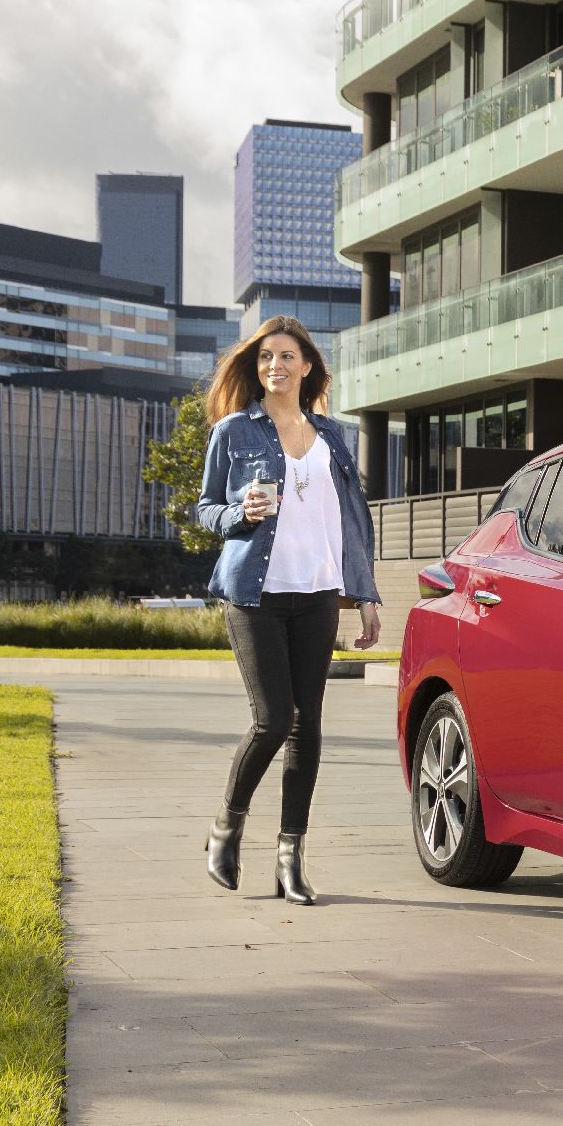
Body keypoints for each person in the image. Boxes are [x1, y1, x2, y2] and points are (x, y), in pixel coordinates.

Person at [195, 316, 381, 904]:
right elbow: (205, 509)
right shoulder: (233, 432)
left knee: (309, 727)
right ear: (258, 369)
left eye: (287, 356)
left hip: (319, 593)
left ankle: (291, 858)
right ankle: (227, 826)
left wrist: (366, 595)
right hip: (255, 593)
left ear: (306, 367)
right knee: (273, 720)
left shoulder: (331, 437)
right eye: (266, 357)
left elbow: (351, 523)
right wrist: (237, 514)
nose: (276, 365)